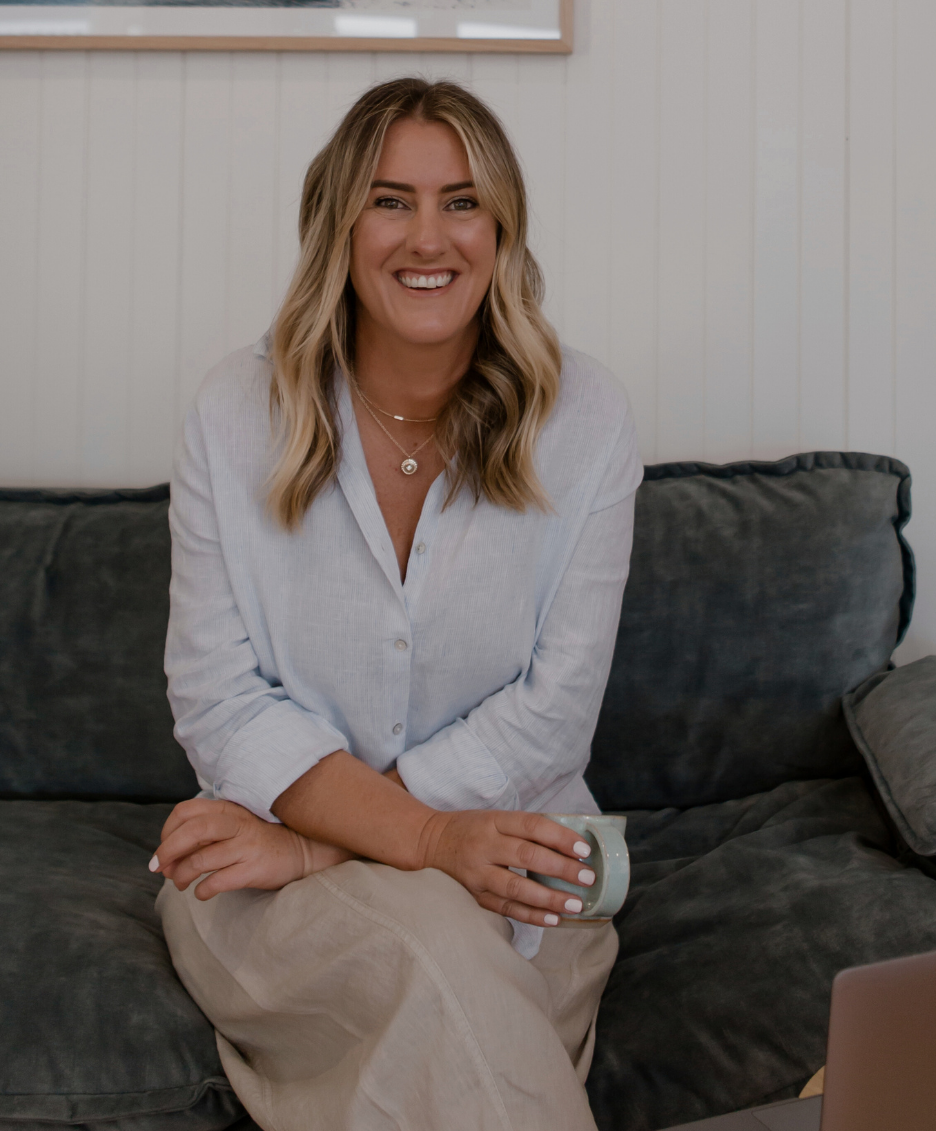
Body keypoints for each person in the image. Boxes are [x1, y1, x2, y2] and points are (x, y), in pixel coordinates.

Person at [154, 76, 642, 1131]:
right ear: (339, 224)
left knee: (461, 1014)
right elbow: (218, 699)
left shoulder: (587, 417)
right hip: (266, 890)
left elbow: (555, 711)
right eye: (390, 200)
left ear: (501, 229)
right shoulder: (234, 413)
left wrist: (329, 838)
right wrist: (423, 837)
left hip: (515, 870)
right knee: (443, 971)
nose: (429, 237)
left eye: (462, 201)